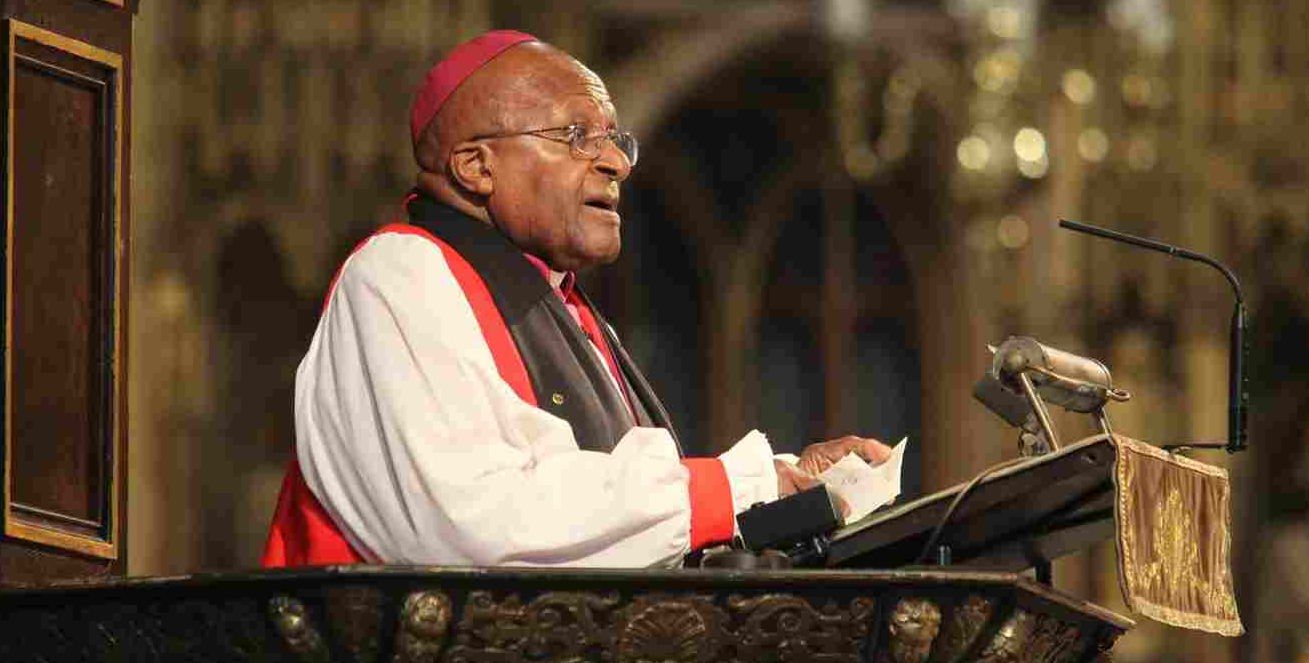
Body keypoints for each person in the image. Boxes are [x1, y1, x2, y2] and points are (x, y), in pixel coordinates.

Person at [262, 30, 891, 568]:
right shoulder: (401, 274)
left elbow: (601, 521)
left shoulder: (564, 305)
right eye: (577, 135)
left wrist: (788, 487)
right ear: (476, 167)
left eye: (616, 139)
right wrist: (742, 486)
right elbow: (470, 520)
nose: (617, 161)